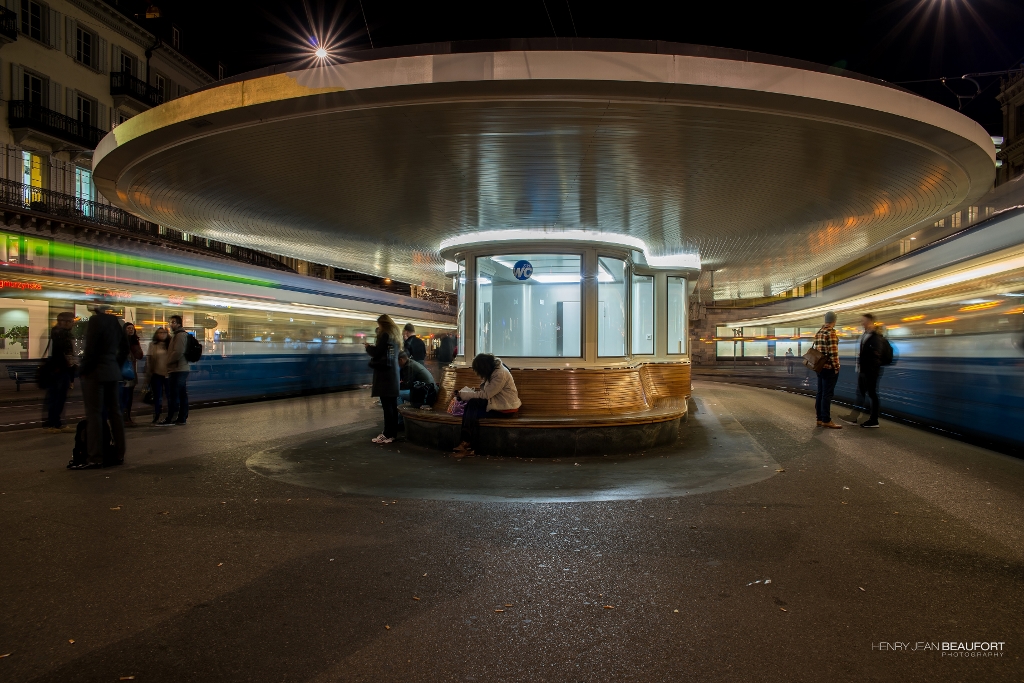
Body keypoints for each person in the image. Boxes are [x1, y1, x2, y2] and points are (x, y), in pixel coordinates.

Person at [77, 303, 128, 467]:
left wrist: (82, 369)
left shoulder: (94, 321)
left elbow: (91, 349)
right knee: (115, 413)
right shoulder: (115, 321)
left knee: (94, 415)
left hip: (96, 372)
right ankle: (119, 453)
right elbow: (125, 347)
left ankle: (95, 457)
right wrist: (115, 364)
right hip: (113, 371)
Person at [453, 354, 521, 457]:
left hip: (506, 408)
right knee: (471, 407)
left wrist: (464, 395)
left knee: (472, 410)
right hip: (497, 404)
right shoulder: (493, 370)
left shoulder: (500, 374)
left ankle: (467, 444)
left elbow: (486, 394)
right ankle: (466, 443)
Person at [841, 313, 884, 428]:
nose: (862, 323)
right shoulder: (866, 334)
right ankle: (854, 417)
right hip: (863, 370)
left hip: (870, 371)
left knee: (872, 394)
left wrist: (869, 368)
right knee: (860, 393)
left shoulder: (876, 337)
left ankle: (874, 420)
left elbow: (876, 355)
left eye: (864, 321)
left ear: (870, 322)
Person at [365, 314, 401, 444]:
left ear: (383, 324)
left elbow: (377, 353)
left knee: (387, 407)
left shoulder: (385, 335)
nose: (378, 327)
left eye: (379, 325)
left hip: (385, 377)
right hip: (392, 375)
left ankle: (386, 434)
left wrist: (368, 347)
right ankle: (392, 434)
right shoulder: (395, 336)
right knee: (392, 406)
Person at [43, 312, 77, 433]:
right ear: (65, 322)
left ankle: (57, 423)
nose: (73, 323)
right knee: (56, 397)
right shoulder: (59, 333)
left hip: (63, 369)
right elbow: (61, 353)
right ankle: (53, 424)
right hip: (58, 369)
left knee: (60, 397)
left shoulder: (62, 333)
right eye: (71, 321)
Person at [814, 311, 842, 429]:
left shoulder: (819, 332)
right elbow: (833, 353)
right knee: (827, 394)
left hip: (820, 367)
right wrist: (836, 367)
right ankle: (826, 419)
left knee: (820, 393)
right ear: (834, 321)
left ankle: (819, 418)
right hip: (829, 368)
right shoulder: (830, 333)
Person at [161, 315, 191, 426]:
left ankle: (171, 418)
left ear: (179, 324)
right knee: (181, 394)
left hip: (178, 369)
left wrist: (168, 361)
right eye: (170, 322)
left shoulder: (180, 335)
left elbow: (178, 352)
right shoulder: (178, 335)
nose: (171, 324)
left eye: (173, 322)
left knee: (174, 395)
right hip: (179, 368)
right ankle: (181, 418)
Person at [120, 323, 144, 427]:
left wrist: (135, 345)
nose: (130, 330)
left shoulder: (134, 342)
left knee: (129, 397)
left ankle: (127, 417)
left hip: (131, 373)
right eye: (128, 328)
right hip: (122, 373)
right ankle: (122, 418)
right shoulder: (120, 341)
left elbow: (140, 355)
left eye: (132, 329)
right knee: (123, 397)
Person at [145, 327, 171, 424]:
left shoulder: (170, 345)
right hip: (156, 373)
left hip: (168, 374)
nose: (162, 334)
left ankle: (170, 415)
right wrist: (149, 372)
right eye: (160, 333)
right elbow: (149, 359)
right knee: (157, 396)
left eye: (164, 333)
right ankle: (156, 415)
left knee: (169, 395)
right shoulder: (153, 345)